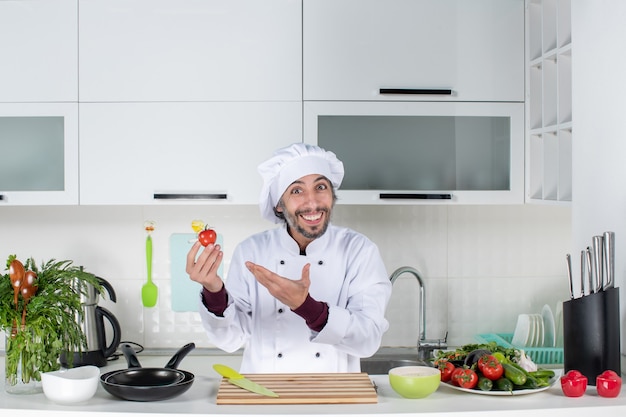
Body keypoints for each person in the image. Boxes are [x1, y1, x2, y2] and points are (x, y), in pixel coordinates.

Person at [186, 143, 392, 373]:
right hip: (264, 396)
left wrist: (306, 307)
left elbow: (368, 340)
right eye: (296, 190)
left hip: (332, 397)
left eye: (321, 187)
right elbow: (230, 339)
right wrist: (214, 291)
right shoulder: (252, 251)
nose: (312, 202)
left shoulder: (359, 250)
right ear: (279, 205)